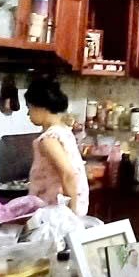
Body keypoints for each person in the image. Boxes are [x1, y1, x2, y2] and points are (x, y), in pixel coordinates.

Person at [25, 76, 89, 216]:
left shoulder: (48, 140)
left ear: (40, 107)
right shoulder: (64, 131)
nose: (28, 113)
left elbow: (67, 174)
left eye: (29, 108)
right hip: (58, 209)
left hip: (54, 211)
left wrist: (72, 213)